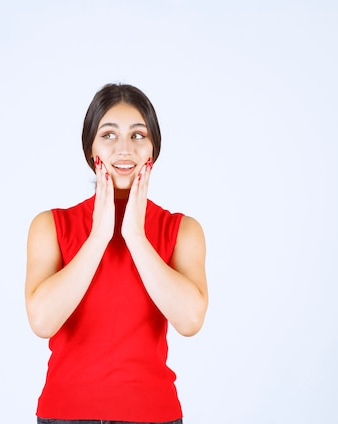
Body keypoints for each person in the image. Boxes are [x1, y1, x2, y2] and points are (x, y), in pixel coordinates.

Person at [24, 83, 208, 424]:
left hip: (153, 415)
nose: (124, 149)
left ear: (153, 149)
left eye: (138, 136)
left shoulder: (182, 231)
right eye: (109, 135)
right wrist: (98, 236)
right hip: (65, 415)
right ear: (90, 147)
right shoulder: (51, 226)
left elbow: (190, 321)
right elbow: (42, 321)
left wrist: (135, 236)